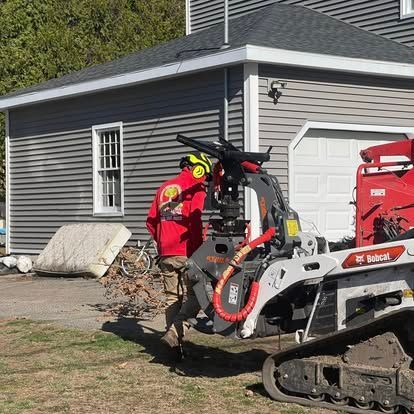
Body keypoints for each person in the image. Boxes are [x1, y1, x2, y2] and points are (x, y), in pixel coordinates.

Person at [146, 151, 212, 358]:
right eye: (205, 175)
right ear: (198, 168)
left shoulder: (165, 187)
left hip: (166, 252)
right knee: (197, 297)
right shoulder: (196, 188)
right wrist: (199, 249)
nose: (205, 180)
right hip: (187, 252)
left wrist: (163, 242)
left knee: (172, 298)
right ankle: (175, 332)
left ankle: (174, 348)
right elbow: (194, 221)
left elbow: (151, 221)